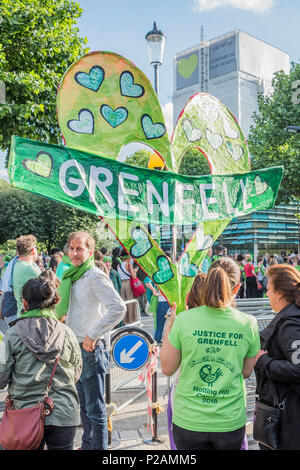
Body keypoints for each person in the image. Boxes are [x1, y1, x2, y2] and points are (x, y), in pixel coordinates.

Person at [160, 257, 260, 451]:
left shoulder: (184, 320)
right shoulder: (249, 323)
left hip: (188, 420)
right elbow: (246, 372)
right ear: (237, 288)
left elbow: (167, 368)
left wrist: (169, 328)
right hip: (228, 421)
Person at [56, 231, 126, 450]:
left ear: (90, 251)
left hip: (90, 348)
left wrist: (93, 334)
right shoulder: (74, 275)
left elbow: (119, 308)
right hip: (74, 348)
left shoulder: (94, 276)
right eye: (72, 248)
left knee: (95, 409)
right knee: (85, 407)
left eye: (80, 249)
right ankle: (88, 445)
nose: (75, 253)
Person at [0, 271, 82, 450]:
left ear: (24, 303)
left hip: (24, 413)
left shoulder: (11, 335)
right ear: (53, 302)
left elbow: (1, 378)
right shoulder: (68, 333)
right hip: (64, 412)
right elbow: (76, 372)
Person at [254, 264, 300, 450]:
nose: (266, 293)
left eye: (269, 289)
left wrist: (264, 362)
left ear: (279, 293)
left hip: (289, 422)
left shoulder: (290, 325)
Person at [13, 235, 41, 321]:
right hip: (31, 317)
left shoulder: (18, 264)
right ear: (33, 250)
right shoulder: (29, 269)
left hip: (22, 314)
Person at [117, 249, 138, 324]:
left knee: (124, 302)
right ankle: (131, 320)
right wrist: (135, 271)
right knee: (131, 302)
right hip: (129, 283)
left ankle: (124, 320)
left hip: (121, 284)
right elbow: (134, 276)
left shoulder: (118, 265)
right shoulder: (128, 265)